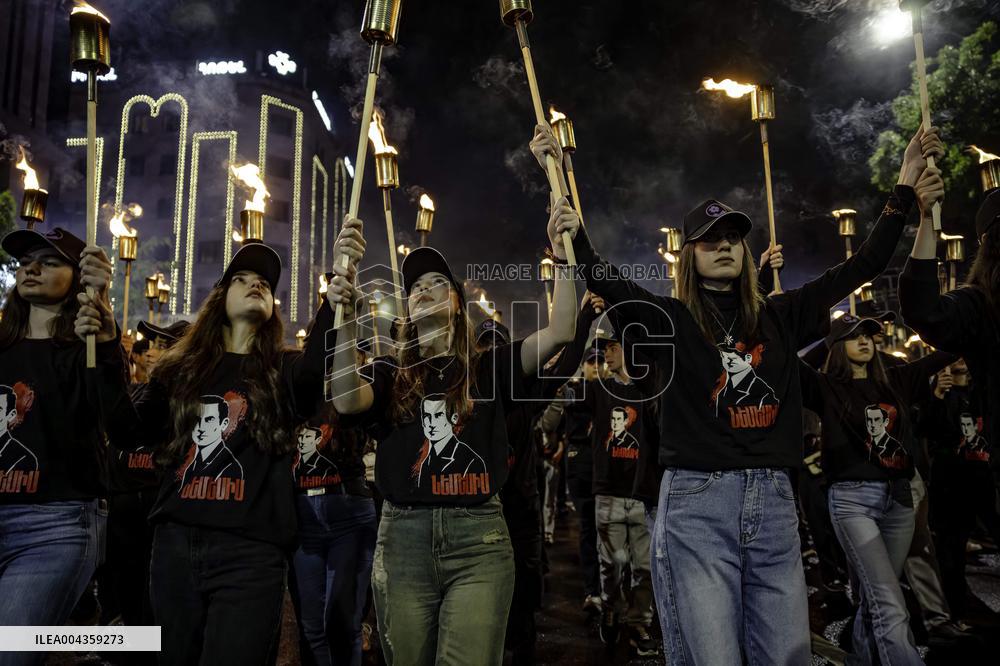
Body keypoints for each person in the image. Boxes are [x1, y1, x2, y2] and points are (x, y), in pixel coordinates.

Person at [528, 120, 944, 663]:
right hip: (697, 505)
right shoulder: (669, 321)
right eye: (709, 241)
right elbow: (603, 278)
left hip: (773, 503)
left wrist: (903, 192)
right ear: (690, 258)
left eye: (733, 240)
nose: (724, 246)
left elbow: (862, 267)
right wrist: (557, 181)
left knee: (784, 656)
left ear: (745, 254)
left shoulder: (782, 315)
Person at [326, 200, 579, 665]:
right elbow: (345, 399)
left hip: (478, 541)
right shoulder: (389, 371)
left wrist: (564, 251)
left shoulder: (490, 367)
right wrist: (344, 317)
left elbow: (562, 330)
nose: (423, 290)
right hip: (403, 540)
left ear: (456, 302)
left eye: (436, 283)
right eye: (415, 286)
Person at [82, 240, 332, 664]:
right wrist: (107, 345)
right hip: (175, 546)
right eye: (242, 278)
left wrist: (333, 305)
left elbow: (315, 374)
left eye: (264, 283)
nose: (256, 284)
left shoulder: (285, 369)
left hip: (251, 553)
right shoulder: (179, 370)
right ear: (220, 298)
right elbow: (126, 431)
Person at [798, 313, 953, 664]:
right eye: (854, 336)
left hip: (899, 500)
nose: (865, 340)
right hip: (853, 501)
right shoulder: (825, 386)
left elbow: (944, 352)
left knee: (874, 599)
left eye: (869, 334)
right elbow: (796, 365)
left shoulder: (896, 380)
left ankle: (861, 658)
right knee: (889, 601)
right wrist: (830, 333)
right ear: (837, 347)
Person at [0, 227, 119, 666]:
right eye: (26, 261)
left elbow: (120, 423)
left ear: (79, 275)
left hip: (55, 525)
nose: (31, 268)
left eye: (48, 261)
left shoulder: (85, 348)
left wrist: (105, 339)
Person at [567, 335, 659, 655]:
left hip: (642, 494)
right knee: (611, 564)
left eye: (614, 346)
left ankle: (638, 623)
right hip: (607, 492)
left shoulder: (650, 393)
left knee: (645, 567)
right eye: (605, 348)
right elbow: (563, 390)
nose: (607, 352)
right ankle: (610, 606)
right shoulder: (598, 389)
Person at [921, 358, 1000, 617]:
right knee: (951, 550)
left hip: (986, 480)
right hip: (953, 484)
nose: (960, 359)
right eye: (951, 356)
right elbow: (929, 430)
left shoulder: (981, 391)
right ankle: (957, 609)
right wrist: (938, 394)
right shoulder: (940, 394)